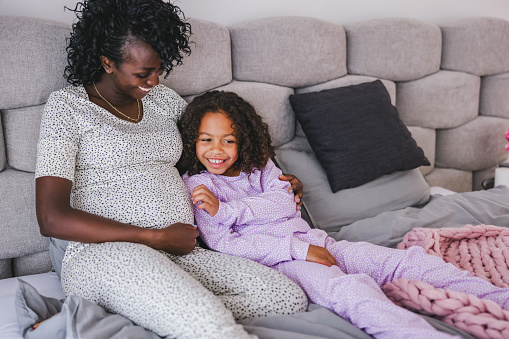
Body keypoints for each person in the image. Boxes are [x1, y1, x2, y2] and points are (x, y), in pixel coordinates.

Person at [34, 1, 309, 338]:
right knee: (208, 323)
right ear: (107, 62)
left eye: (158, 68)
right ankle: (181, 314)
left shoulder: (162, 100)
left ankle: (130, 315)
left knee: (286, 296)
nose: (154, 80)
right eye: (142, 73)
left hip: (179, 251)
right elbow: (51, 217)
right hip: (105, 254)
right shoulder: (67, 107)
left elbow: (213, 150)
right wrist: (155, 236)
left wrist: (272, 179)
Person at [179, 90, 509, 339]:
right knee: (351, 291)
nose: (216, 150)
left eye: (228, 140)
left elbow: (284, 202)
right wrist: (298, 250)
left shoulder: (260, 166)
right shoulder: (200, 187)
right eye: (206, 140)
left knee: (407, 262)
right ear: (193, 140)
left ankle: (500, 298)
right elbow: (226, 244)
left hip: (319, 242)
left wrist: (231, 210)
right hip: (283, 263)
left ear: (244, 141)